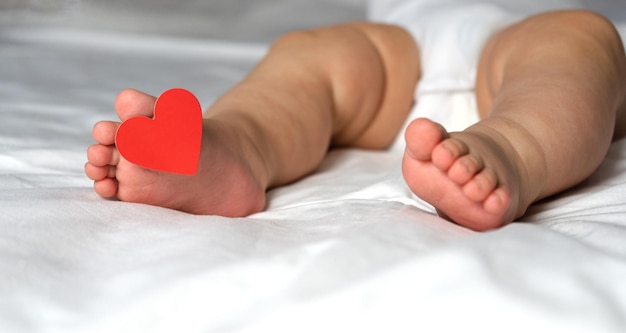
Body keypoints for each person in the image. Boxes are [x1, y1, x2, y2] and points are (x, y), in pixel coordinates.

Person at [84, 3, 626, 231]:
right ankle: (240, 144)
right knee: (309, 56)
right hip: (399, 51)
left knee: (581, 41)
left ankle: (513, 146)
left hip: (530, 32)